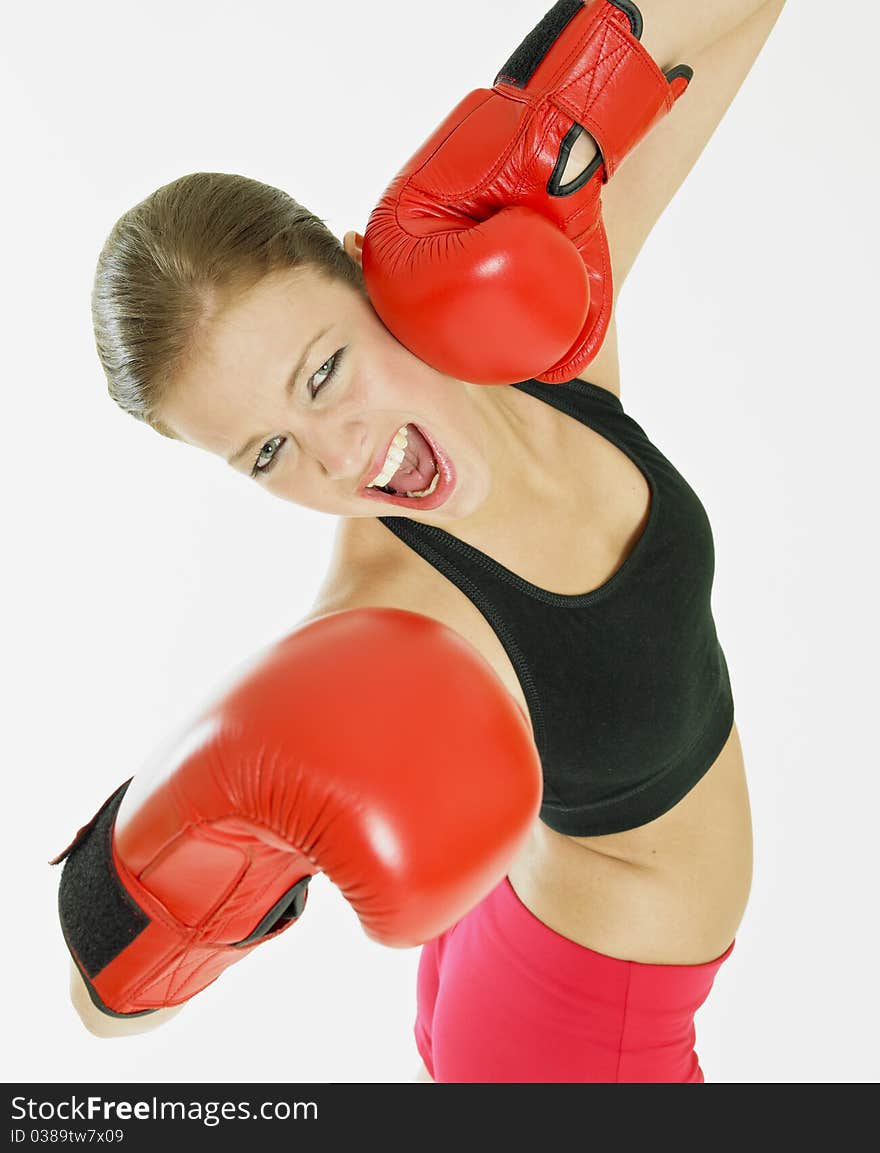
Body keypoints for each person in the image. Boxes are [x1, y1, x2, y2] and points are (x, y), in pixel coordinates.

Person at [65, 0, 787, 1080]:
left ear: (370, 266)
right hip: (571, 1042)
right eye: (266, 454)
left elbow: (724, 19)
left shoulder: (535, 332)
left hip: (548, 962)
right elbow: (100, 1009)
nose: (338, 452)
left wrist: (532, 110)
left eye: (323, 371)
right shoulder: (391, 618)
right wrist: (214, 826)